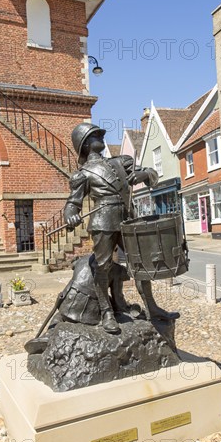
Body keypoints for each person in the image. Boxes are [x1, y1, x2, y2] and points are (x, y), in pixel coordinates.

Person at [64, 122, 159, 334]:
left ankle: (152, 308)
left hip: (128, 219)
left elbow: (151, 173)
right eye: (94, 135)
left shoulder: (120, 162)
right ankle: (106, 312)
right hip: (102, 222)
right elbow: (73, 203)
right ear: (85, 144)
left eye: (99, 133)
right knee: (103, 267)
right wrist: (70, 215)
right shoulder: (83, 173)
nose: (100, 136)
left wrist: (144, 176)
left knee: (141, 264)